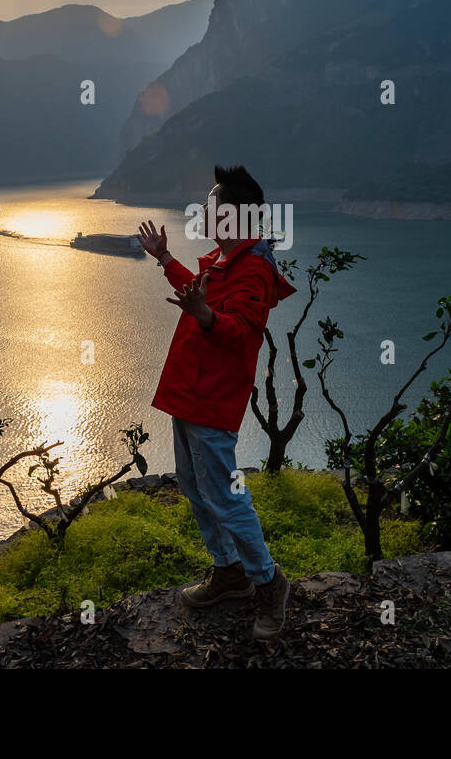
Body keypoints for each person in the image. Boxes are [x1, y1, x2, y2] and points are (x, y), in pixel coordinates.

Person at [137, 165, 297, 640]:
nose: (203, 211)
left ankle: (269, 582)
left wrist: (205, 316)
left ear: (233, 216)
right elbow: (198, 295)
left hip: (212, 400)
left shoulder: (254, 271)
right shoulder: (223, 262)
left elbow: (241, 331)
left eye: (211, 205)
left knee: (226, 498)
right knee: (194, 484)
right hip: (191, 393)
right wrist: (165, 258)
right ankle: (229, 573)